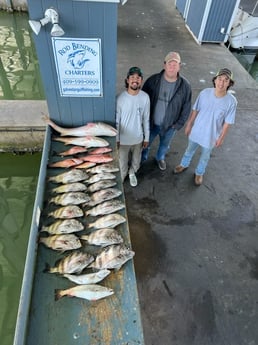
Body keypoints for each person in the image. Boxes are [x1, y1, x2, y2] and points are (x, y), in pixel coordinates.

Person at [173, 68, 237, 186]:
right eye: (219, 79)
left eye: (225, 80)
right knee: (189, 150)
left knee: (205, 157)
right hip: (197, 130)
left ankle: (199, 173)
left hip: (211, 135)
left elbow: (227, 123)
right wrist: (189, 124)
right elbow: (195, 109)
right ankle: (184, 164)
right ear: (215, 80)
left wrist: (221, 138)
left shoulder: (231, 102)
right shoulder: (205, 93)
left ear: (229, 83)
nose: (221, 83)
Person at [141, 51, 192, 170]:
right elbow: (142, 100)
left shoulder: (185, 86)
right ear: (164, 65)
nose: (172, 67)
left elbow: (186, 107)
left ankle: (160, 158)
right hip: (152, 123)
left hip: (170, 126)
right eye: (170, 63)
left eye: (175, 64)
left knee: (164, 145)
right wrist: (143, 120)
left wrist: (177, 125)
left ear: (180, 66)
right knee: (145, 144)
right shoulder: (152, 80)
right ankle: (142, 158)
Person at [116, 66, 150, 187]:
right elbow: (117, 121)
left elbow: (146, 119)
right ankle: (123, 175)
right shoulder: (120, 99)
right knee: (121, 164)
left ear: (141, 80)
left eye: (138, 77)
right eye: (132, 77)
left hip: (138, 139)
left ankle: (132, 173)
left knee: (136, 162)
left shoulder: (145, 97)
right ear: (127, 80)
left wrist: (146, 138)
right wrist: (117, 139)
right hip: (124, 141)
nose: (135, 80)